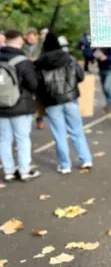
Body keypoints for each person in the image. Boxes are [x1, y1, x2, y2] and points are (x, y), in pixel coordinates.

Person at [35, 32, 93, 174]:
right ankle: (85, 159)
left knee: (59, 134)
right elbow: (80, 76)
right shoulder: (69, 59)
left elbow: (36, 84)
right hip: (71, 99)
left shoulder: (40, 63)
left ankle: (65, 165)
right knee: (77, 131)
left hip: (51, 102)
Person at [0, 30, 41, 181]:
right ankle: (24, 170)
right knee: (22, 138)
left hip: (1, 106)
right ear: (19, 41)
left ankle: (9, 171)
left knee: (4, 139)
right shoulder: (22, 61)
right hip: (20, 105)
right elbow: (33, 84)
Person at [95, 47, 111, 113]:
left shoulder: (110, 49)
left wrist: (106, 57)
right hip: (101, 70)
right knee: (104, 88)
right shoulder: (98, 49)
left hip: (109, 70)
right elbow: (91, 57)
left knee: (107, 87)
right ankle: (108, 103)